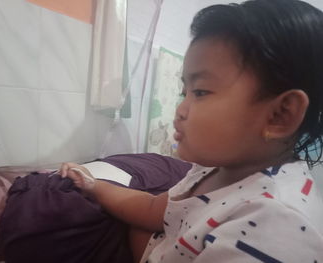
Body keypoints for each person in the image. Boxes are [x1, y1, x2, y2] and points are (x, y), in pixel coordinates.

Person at [61, 0, 323, 262]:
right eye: (183, 92)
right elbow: (154, 209)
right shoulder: (212, 170)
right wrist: (93, 185)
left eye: (200, 92)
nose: (180, 109)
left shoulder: (273, 227)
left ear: (280, 115)